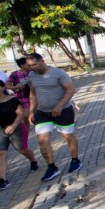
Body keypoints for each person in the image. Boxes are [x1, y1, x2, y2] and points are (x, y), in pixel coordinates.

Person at [25, 53, 82, 181]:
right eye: (29, 66)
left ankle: (75, 160)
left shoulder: (58, 73)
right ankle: (52, 167)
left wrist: (60, 105)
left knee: (68, 136)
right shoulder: (31, 75)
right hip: (42, 112)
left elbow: (71, 90)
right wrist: (31, 112)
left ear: (42, 61)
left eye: (34, 64)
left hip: (63, 111)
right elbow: (33, 94)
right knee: (42, 140)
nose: (32, 68)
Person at [0, 80, 40, 190]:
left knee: (22, 149)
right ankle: (3, 180)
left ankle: (33, 161)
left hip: (16, 129)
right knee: (0, 154)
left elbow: (21, 113)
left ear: (3, 88)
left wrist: (13, 126)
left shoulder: (12, 100)